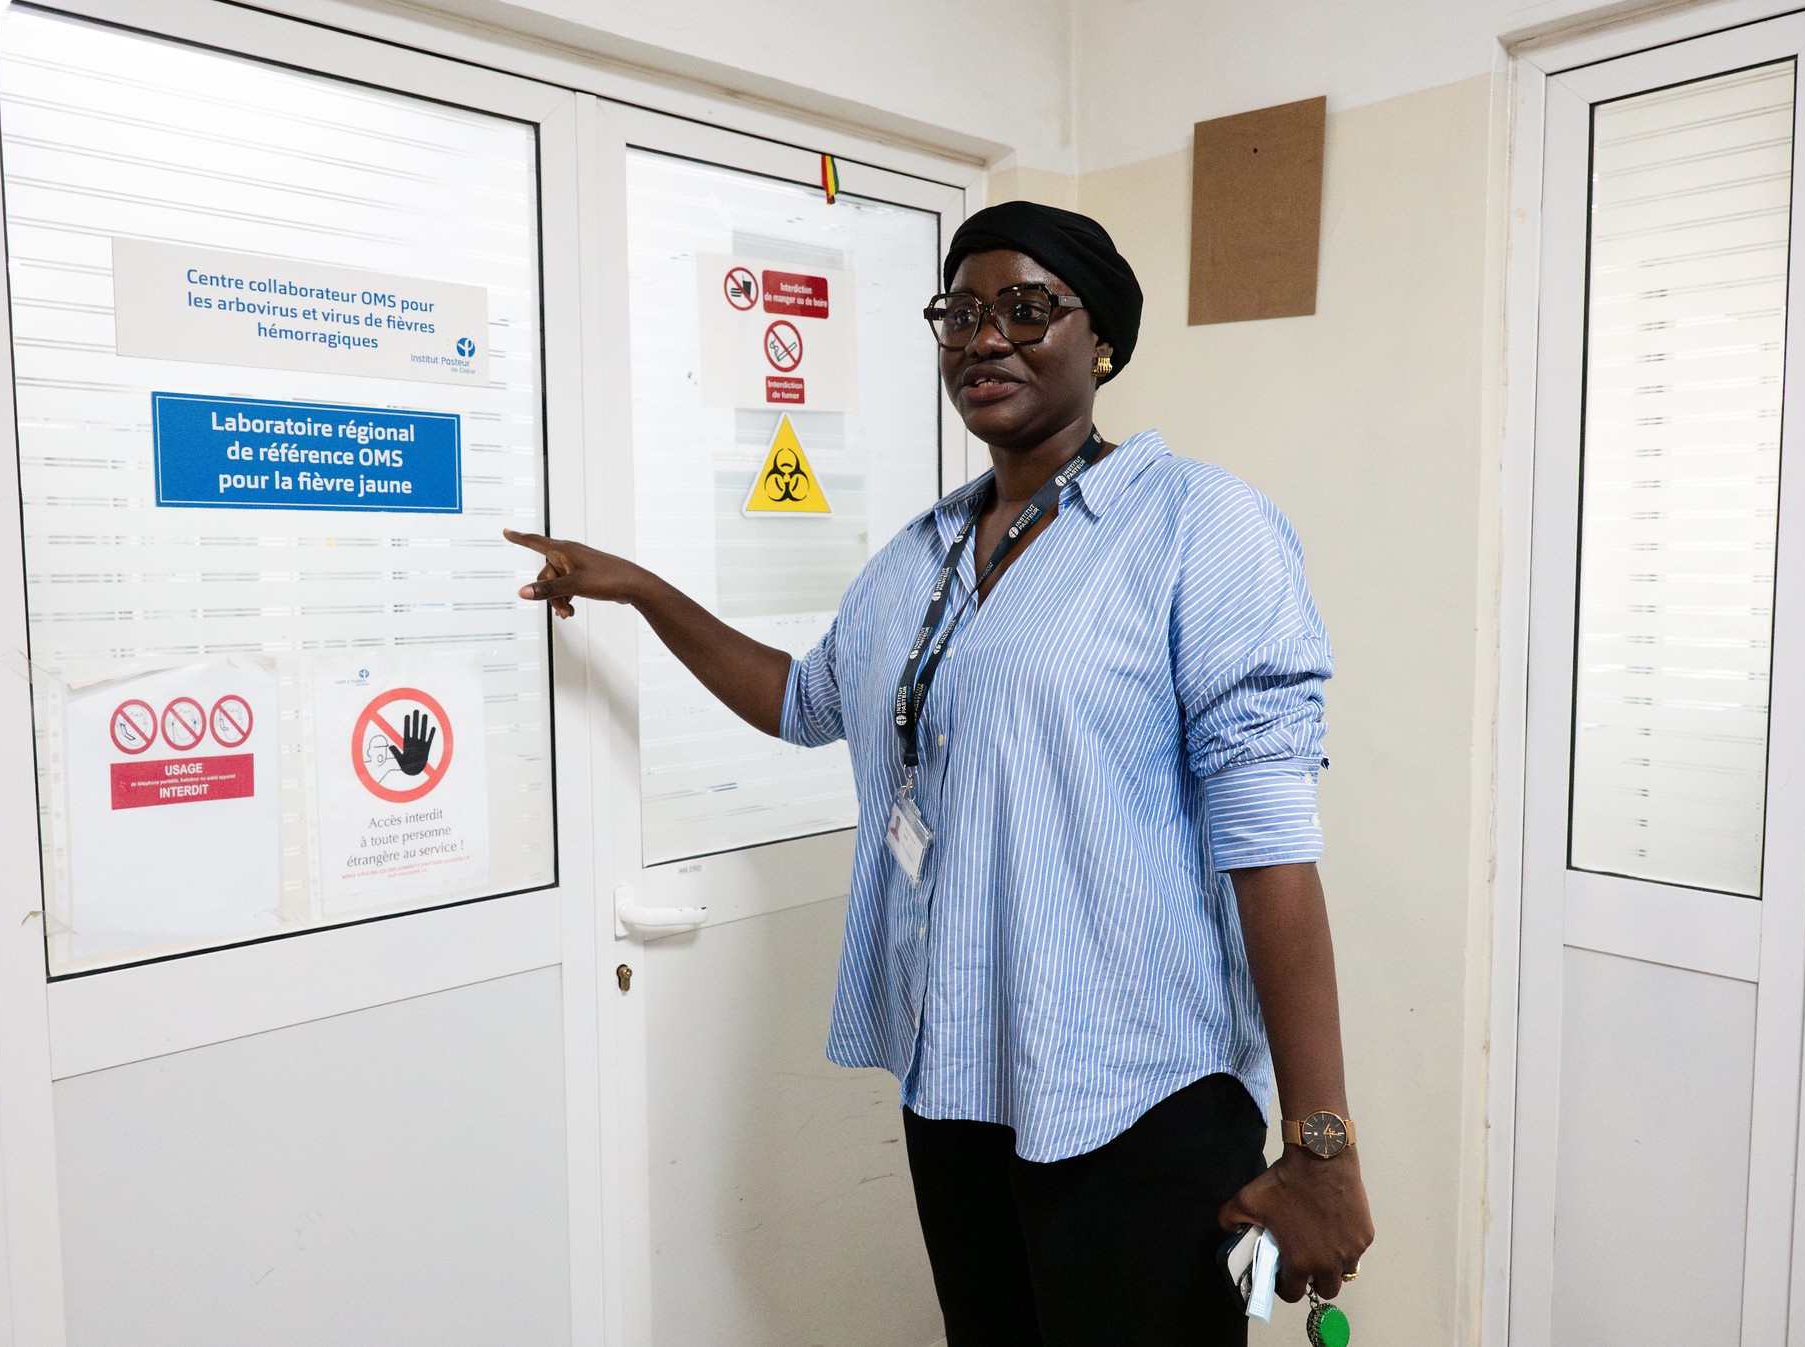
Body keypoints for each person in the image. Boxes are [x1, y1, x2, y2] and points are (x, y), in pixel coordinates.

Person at [504, 201, 1373, 1344]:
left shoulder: (1197, 528)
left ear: (1099, 339)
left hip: (1136, 1095)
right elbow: (803, 699)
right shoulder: (920, 553)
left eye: (1024, 308)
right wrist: (646, 591)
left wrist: (1320, 1145)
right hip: (958, 1083)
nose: (982, 338)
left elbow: (1267, 846)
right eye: (957, 314)